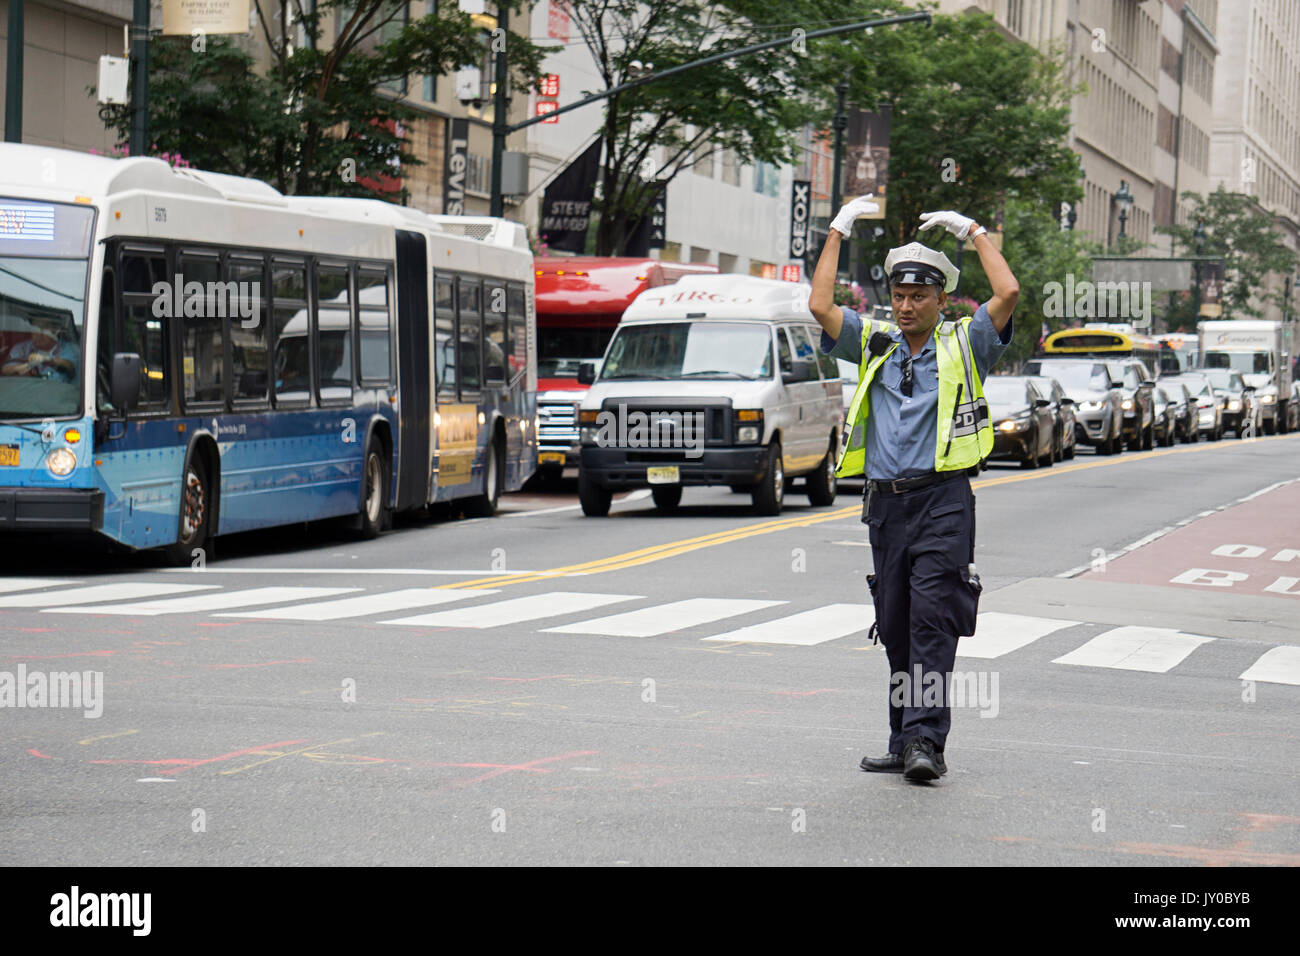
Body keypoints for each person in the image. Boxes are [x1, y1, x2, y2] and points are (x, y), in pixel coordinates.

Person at [807, 196, 1019, 782]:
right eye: (898, 296)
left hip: (943, 501)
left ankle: (927, 741)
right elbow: (819, 304)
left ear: (940, 299)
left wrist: (973, 231)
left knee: (931, 620)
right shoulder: (874, 342)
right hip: (886, 506)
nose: (905, 306)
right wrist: (836, 231)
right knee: (896, 624)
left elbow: (1008, 294)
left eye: (918, 296)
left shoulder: (964, 343)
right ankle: (903, 740)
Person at [1, 313, 80, 381]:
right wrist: (18, 368)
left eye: (42, 329)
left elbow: (70, 367)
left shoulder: (69, 349)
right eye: (34, 329)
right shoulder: (23, 348)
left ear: (55, 331)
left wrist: (47, 359)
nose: (37, 335)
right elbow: (4, 369)